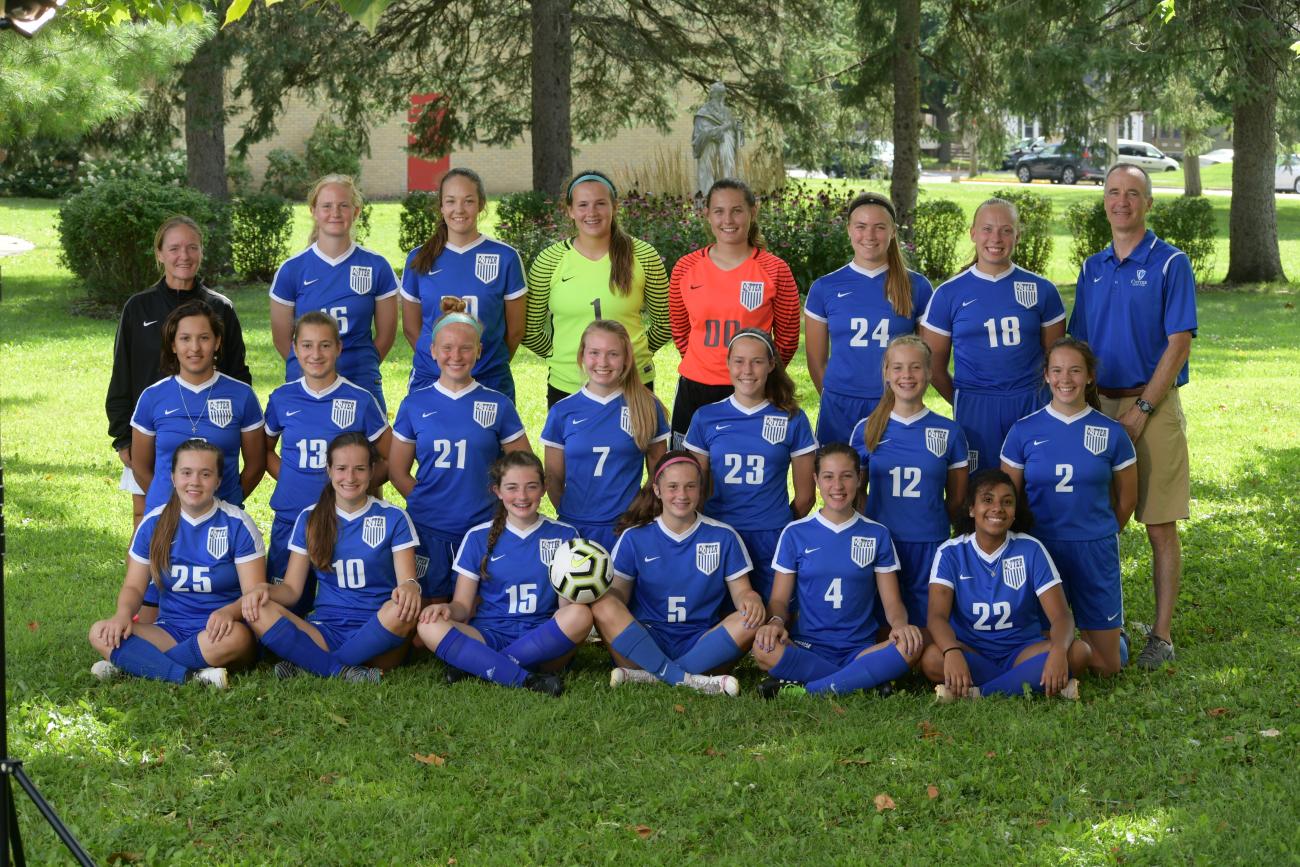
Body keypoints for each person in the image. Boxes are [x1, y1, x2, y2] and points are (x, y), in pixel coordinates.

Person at [1068, 163, 1196, 670]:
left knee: (1158, 522)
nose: (1122, 202)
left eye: (1133, 194)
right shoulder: (1091, 266)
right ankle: (1099, 619)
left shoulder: (1170, 263)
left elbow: (1179, 342)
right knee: (1095, 517)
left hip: (1153, 405)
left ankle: (1161, 635)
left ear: (1147, 203)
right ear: (1104, 201)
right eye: (1113, 193)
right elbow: (1079, 342)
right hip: (1097, 407)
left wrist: (1143, 408)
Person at [1001, 337, 1137, 675]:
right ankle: (1076, 638)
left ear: (1090, 376)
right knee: (1048, 656)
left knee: (1107, 668)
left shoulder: (1111, 433)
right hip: (1042, 549)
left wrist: (1098, 531)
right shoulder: (1024, 431)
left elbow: (1127, 500)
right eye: (1058, 370)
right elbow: (1008, 501)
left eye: (1075, 370)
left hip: (1094, 547)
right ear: (1046, 376)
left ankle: (1112, 637)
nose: (1066, 379)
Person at [106, 215, 252, 528]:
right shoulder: (138, 307)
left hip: (208, 437)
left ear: (201, 252)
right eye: (173, 248)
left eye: (191, 247)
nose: (183, 256)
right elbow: (122, 375)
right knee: (149, 521)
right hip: (151, 436)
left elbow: (238, 377)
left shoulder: (220, 308)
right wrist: (123, 439)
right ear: (159, 253)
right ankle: (145, 579)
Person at [241, 433, 420, 682]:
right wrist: (264, 590)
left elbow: (407, 583)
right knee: (259, 609)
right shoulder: (310, 518)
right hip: (324, 631)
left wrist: (411, 588)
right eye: (341, 469)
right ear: (329, 470)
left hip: (379, 632)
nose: (350, 477)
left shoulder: (394, 517)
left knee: (401, 608)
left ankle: (313, 665)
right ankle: (343, 671)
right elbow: (292, 590)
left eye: (359, 469)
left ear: (372, 471)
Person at [752, 444, 924, 698]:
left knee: (912, 645)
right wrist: (775, 622)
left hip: (860, 648)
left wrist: (900, 625)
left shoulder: (877, 533)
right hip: (808, 645)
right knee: (762, 649)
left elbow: (892, 603)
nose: (838, 486)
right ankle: (862, 679)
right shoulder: (795, 533)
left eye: (846, 476)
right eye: (828, 477)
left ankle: (809, 689)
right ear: (816, 480)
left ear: (859, 478)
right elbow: (778, 600)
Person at [88, 439, 263, 688]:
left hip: (219, 633)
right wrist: (122, 615)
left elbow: (254, 594)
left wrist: (229, 612)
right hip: (168, 631)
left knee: (236, 639)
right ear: (172, 477)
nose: (194, 482)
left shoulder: (237, 524)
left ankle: (132, 665)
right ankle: (190, 677)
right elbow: (134, 588)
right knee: (100, 632)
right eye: (186, 472)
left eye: (205, 474)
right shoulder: (154, 523)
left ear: (218, 481)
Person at [389, 299, 532, 601]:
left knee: (479, 612)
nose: (456, 356)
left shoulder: (497, 404)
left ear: (479, 351)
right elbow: (397, 471)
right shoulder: (415, 404)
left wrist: (502, 504)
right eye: (447, 348)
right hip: (429, 528)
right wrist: (424, 502)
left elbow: (526, 465)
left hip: (482, 528)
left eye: (466, 348)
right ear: (433, 351)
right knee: (422, 620)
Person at [416, 452, 592, 696]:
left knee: (580, 614)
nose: (522, 496)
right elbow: (462, 606)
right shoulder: (478, 536)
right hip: (488, 635)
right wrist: (446, 610)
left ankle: (483, 665)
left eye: (531, 487)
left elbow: (565, 607)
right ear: (497, 491)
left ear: (544, 488)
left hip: (542, 639)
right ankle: (528, 679)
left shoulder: (564, 535)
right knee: (429, 626)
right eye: (512, 488)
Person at [589, 451, 764, 695]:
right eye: (673, 487)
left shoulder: (723, 535)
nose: (682, 495)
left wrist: (751, 599)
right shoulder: (635, 537)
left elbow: (742, 592)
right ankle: (690, 680)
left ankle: (652, 676)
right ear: (657, 490)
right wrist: (608, 608)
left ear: (700, 489)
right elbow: (618, 595)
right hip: (645, 641)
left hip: (701, 642)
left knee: (750, 618)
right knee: (602, 603)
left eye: (690, 486)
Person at [921, 198, 1065, 473]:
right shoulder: (949, 293)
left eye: (1006, 230)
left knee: (1033, 485)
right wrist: (964, 399)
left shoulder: (1041, 289)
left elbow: (1055, 360)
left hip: (1030, 401)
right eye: (987, 229)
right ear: (973, 233)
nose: (995, 238)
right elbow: (933, 367)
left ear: (1017, 236)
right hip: (976, 405)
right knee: (978, 490)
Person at [920, 470, 1092, 700]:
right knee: (933, 658)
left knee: (1079, 652)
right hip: (972, 651)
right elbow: (936, 617)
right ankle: (1027, 681)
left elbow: (1062, 616)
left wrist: (1059, 652)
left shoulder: (1031, 549)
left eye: (1007, 502)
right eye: (987, 500)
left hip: (1022, 652)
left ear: (1014, 513)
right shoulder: (950, 552)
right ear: (972, 508)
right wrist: (951, 651)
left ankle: (979, 693)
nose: (997, 508)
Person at [263, 312, 391, 604]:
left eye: (324, 345)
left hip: (343, 518)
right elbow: (264, 450)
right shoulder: (282, 398)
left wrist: (361, 483)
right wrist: (291, 477)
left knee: (345, 602)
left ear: (338, 348)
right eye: (307, 345)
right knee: (285, 603)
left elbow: (392, 457)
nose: (315, 354)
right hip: (292, 515)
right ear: (295, 349)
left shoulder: (359, 399)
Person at [683, 329, 816, 603]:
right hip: (719, 532)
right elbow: (693, 490)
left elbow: (805, 498)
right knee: (713, 617)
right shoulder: (706, 418)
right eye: (739, 361)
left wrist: (777, 526)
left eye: (756, 361)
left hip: (771, 535)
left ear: (771, 365)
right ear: (728, 364)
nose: (747, 370)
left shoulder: (792, 418)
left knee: (774, 618)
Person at [667, 178, 800, 446]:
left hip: (750, 388)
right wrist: (706, 364)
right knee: (689, 476)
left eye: (737, 210)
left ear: (753, 212)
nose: (728, 219)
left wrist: (759, 374)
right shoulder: (685, 267)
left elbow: (786, 339)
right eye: (719, 211)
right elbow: (680, 331)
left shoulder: (775, 269)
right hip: (695, 389)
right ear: (707, 215)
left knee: (743, 473)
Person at [522, 170, 671, 406]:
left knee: (637, 444)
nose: (591, 213)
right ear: (570, 210)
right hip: (568, 384)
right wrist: (562, 357)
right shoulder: (549, 260)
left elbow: (666, 323)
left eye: (600, 203)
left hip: (632, 382)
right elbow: (528, 330)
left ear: (614, 206)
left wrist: (634, 354)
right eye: (582, 205)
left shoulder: (643, 254)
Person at [849, 335, 968, 627]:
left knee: (929, 632)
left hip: (930, 541)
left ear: (929, 372)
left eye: (915, 368)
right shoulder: (867, 430)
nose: (907, 376)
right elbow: (853, 494)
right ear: (887, 374)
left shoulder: (949, 432)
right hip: (882, 542)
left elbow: (956, 499)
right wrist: (873, 525)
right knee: (879, 626)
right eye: (898, 368)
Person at [806, 193, 934, 446]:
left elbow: (927, 358)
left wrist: (904, 400)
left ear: (893, 231)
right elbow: (816, 362)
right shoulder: (825, 287)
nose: (869, 235)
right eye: (861, 227)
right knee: (840, 484)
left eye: (879, 227)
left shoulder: (917, 286)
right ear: (849, 230)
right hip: (840, 407)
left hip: (895, 403)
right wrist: (837, 396)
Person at [269, 174, 398, 413]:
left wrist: (359, 366)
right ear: (314, 211)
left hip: (360, 380)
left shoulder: (377, 266)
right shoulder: (292, 270)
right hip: (307, 382)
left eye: (343, 206)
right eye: (326, 206)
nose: (335, 213)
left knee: (370, 450)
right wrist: (314, 368)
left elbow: (387, 335)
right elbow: (282, 339)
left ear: (356, 211)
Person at [540, 320, 671, 551]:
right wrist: (572, 514)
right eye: (594, 353)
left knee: (623, 588)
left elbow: (658, 473)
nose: (602, 362)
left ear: (626, 359)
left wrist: (638, 513)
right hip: (575, 527)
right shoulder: (563, 411)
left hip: (627, 527)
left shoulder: (646, 406)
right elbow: (552, 477)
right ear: (582, 355)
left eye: (613, 354)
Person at [400, 168, 527, 401]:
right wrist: (443, 364)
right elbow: (411, 329)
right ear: (441, 206)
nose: (459, 209)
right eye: (450, 201)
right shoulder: (418, 259)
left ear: (481, 204)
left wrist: (484, 364)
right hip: (431, 380)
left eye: (468, 201)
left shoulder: (505, 257)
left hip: (490, 379)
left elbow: (516, 330)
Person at [130, 301, 265, 513]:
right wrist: (168, 505)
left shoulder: (242, 396)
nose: (194, 347)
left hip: (222, 518)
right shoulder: (152, 397)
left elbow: (256, 465)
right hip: (166, 515)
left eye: (204, 338)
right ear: (173, 345)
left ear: (217, 342)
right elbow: (140, 467)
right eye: (185, 338)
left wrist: (227, 504)